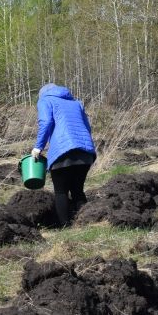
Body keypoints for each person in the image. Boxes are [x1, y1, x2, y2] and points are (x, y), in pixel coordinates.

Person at [31, 83, 97, 227]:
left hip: (63, 151)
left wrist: (38, 147)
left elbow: (46, 122)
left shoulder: (45, 100)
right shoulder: (75, 103)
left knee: (61, 191)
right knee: (77, 190)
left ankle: (65, 227)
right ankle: (88, 224)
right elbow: (87, 127)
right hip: (85, 152)